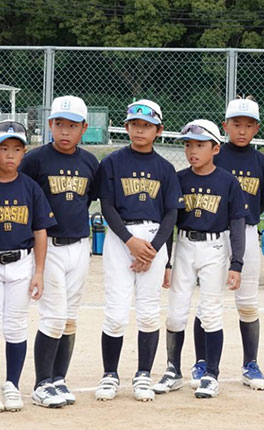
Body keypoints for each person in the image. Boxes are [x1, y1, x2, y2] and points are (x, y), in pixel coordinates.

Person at [93, 100, 182, 402]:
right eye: (134, 124)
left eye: (146, 126)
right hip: (121, 238)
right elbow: (107, 205)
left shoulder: (165, 168)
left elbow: (171, 213)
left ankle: (144, 373)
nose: (139, 130)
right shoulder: (112, 162)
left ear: (159, 130)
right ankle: (110, 374)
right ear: (127, 127)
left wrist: (152, 249)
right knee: (116, 313)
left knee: (148, 312)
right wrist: (130, 241)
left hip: (154, 238)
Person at [152, 119, 247, 399]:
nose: (193, 151)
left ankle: (210, 374)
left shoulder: (227, 181)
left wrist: (237, 263)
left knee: (210, 311)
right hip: (184, 245)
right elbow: (170, 221)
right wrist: (167, 262)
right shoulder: (179, 179)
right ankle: (173, 370)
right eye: (189, 145)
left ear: (215, 149)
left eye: (200, 145)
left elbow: (237, 222)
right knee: (175, 312)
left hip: (214, 247)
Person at [189, 97, 264, 391]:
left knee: (248, 302)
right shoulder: (214, 155)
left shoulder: (262, 163)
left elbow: (263, 201)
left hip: (247, 233)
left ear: (257, 128)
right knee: (208, 302)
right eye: (236, 124)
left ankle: (250, 363)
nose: (242, 130)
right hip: (214, 235)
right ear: (225, 126)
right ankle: (202, 362)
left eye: (249, 125)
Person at [21, 96, 99, 408]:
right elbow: (24, 198)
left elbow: (88, 198)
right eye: (59, 124)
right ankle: (42, 383)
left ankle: (58, 380)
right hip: (48, 246)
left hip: (79, 245)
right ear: (50, 124)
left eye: (72, 125)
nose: (65, 131)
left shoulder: (89, 162)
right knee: (53, 316)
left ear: (84, 128)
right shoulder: (36, 160)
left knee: (69, 317)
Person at [0, 121, 56, 412]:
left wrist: (39, 272)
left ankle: (12, 384)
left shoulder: (30, 187)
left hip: (22, 262)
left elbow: (40, 231)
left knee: (16, 325)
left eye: (16, 149)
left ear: (24, 152)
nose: (10, 154)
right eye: (3, 148)